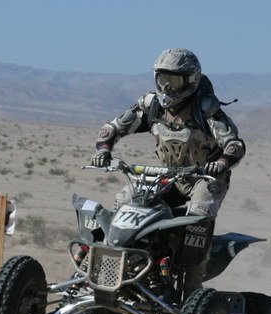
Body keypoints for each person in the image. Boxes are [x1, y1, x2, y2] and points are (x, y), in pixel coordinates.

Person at [90, 48, 246, 294]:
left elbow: (234, 144)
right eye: (163, 79)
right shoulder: (151, 104)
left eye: (174, 80)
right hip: (170, 174)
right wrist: (103, 151)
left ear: (191, 80)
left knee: (198, 217)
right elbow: (113, 127)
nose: (167, 87)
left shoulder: (206, 108)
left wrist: (221, 163)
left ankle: (192, 288)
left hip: (206, 178)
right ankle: (111, 270)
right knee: (126, 200)